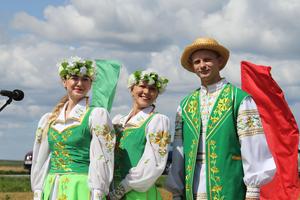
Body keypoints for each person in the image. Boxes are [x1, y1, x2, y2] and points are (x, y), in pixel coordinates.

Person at [165, 37, 276, 200]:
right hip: (193, 187)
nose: (202, 65)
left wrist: (253, 189)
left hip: (229, 184)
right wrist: (176, 190)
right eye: (197, 62)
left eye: (207, 59)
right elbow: (179, 151)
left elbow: (252, 143)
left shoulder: (238, 99)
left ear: (219, 61)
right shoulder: (185, 105)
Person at [31, 56, 115, 200]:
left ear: (90, 84)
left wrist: (97, 191)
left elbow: (102, 157)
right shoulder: (49, 119)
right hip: (51, 186)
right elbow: (40, 159)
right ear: (64, 81)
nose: (79, 83)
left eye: (85, 79)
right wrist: (38, 188)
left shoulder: (96, 115)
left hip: (81, 186)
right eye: (75, 78)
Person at [109, 70, 170, 200]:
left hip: (137, 193)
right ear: (131, 89)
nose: (146, 92)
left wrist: (121, 190)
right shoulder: (118, 121)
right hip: (112, 190)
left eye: (152, 89)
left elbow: (154, 163)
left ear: (157, 94)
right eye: (142, 86)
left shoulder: (157, 120)